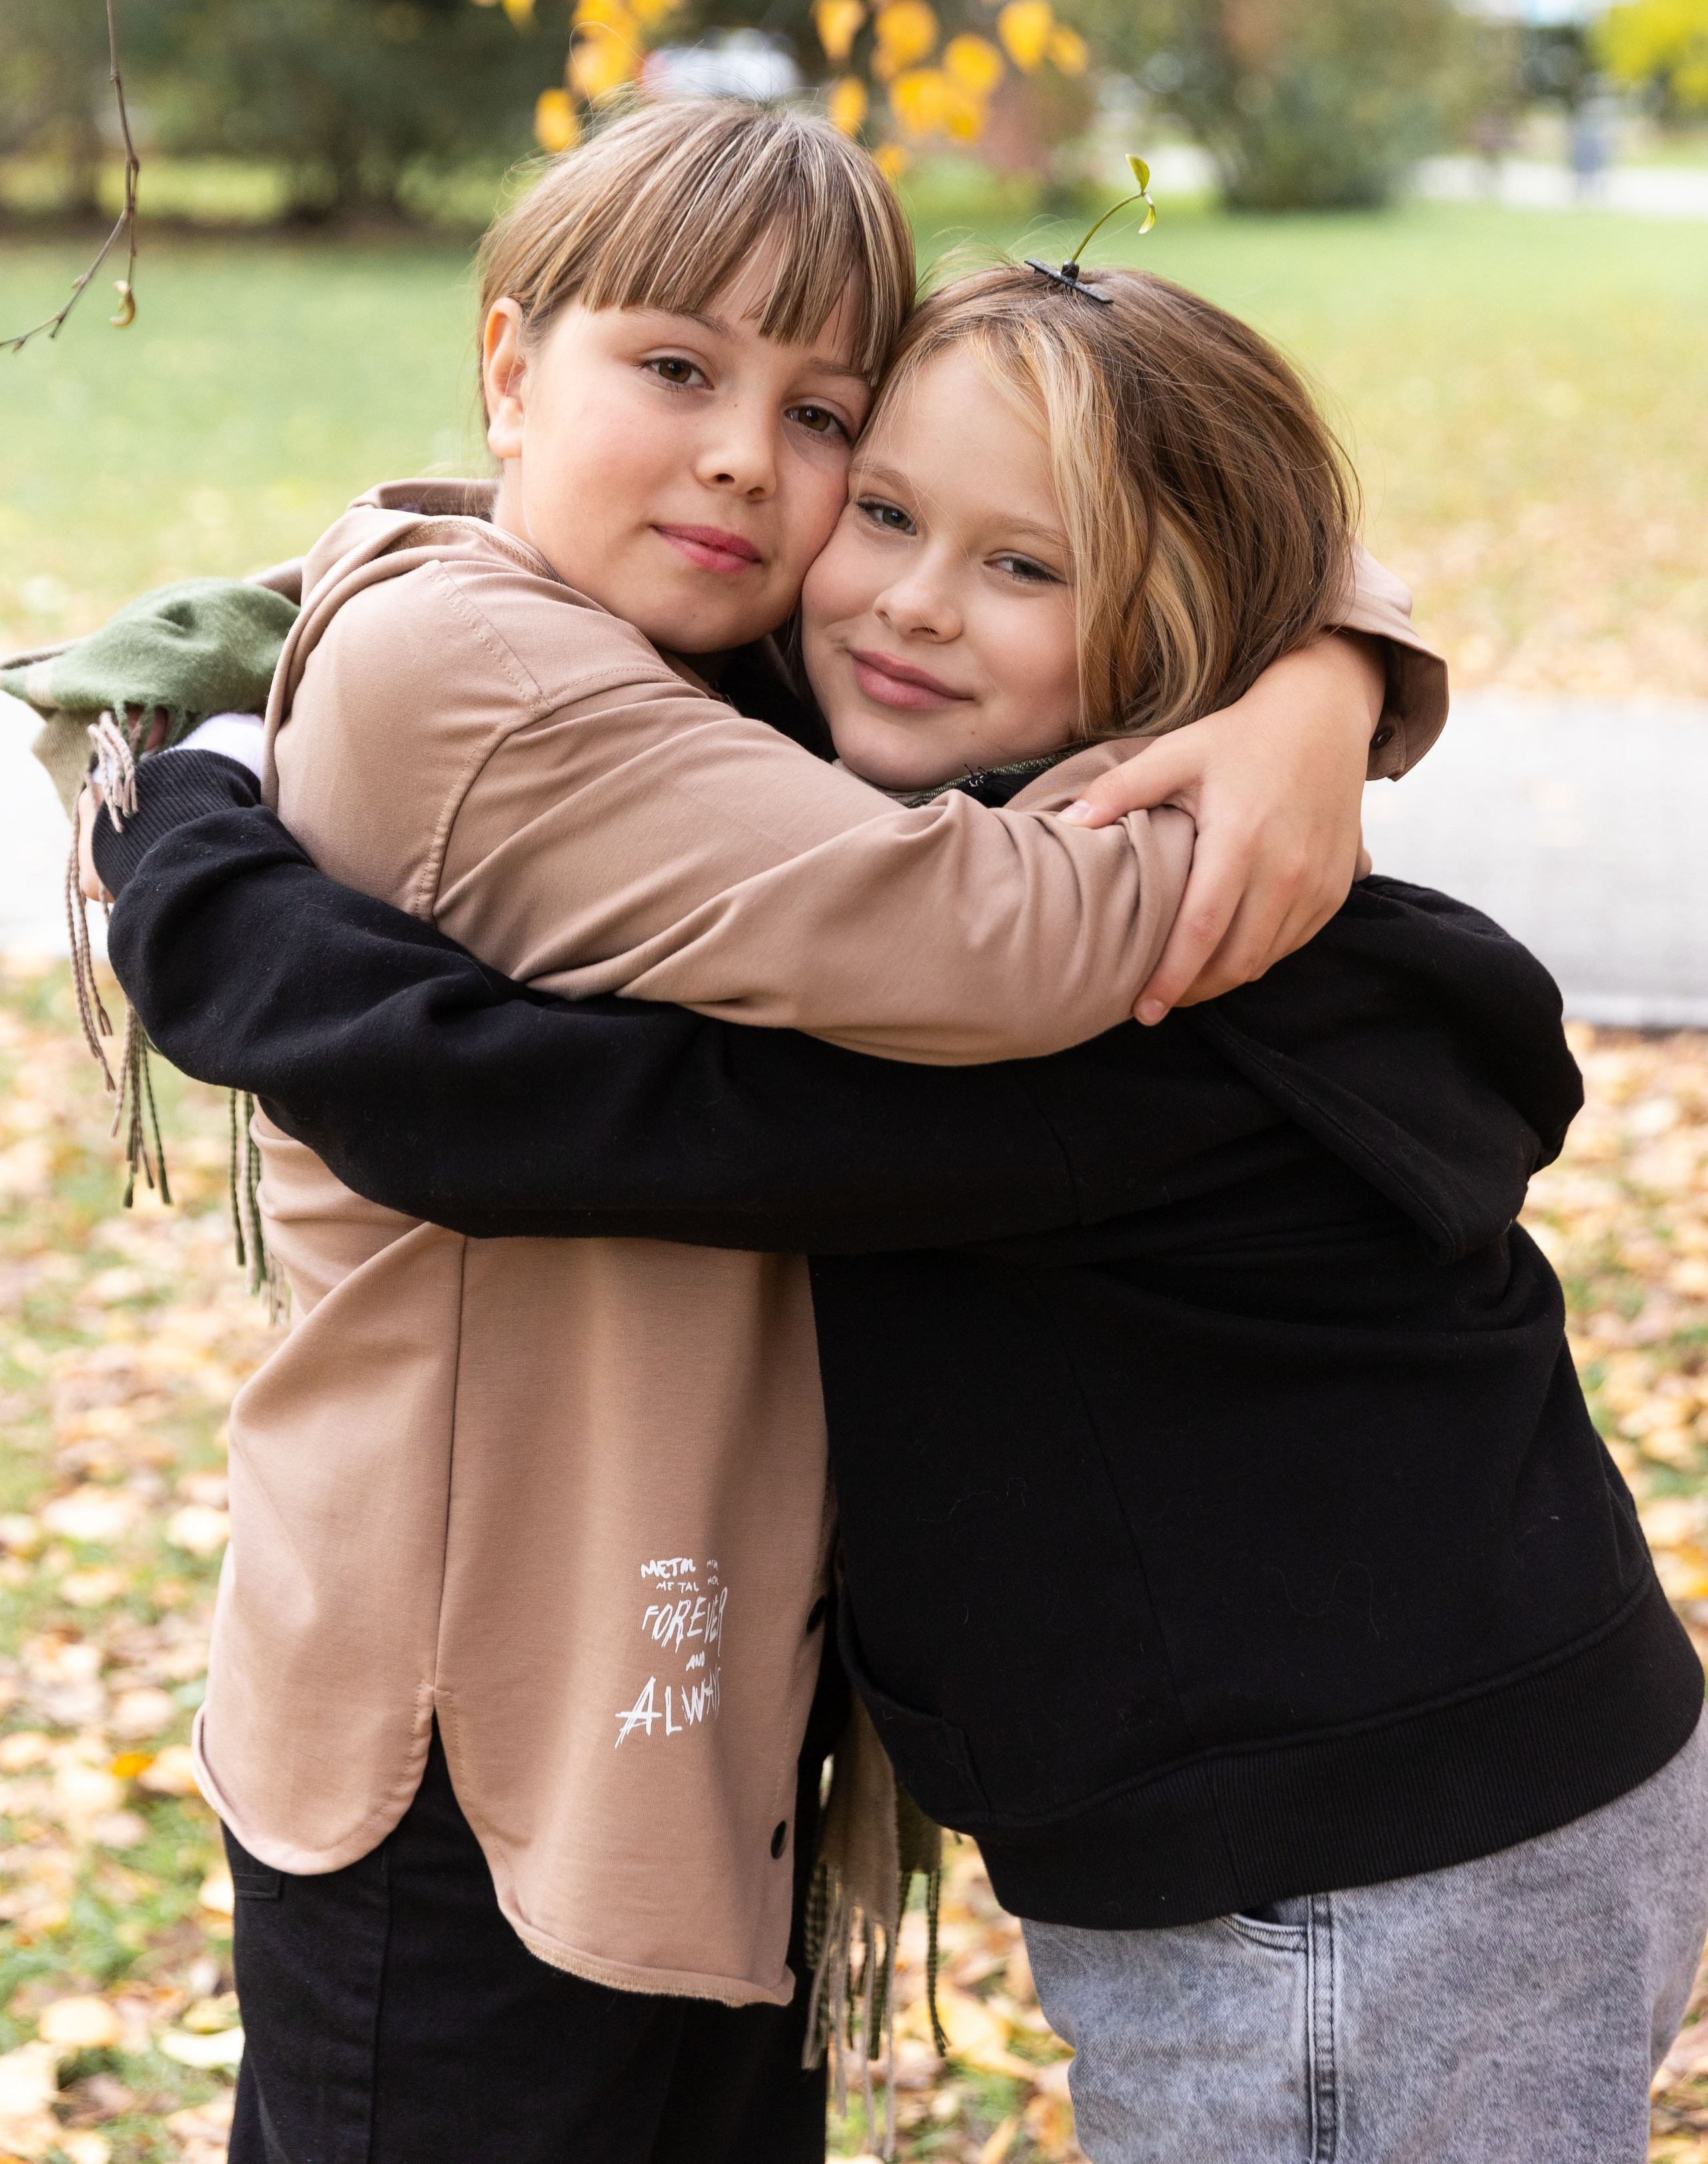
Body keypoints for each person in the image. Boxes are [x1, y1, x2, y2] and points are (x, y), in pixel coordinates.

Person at [90, 254, 1707, 2164]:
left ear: (1167, 630)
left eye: (1024, 569)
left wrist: (178, 820)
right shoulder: (959, 839)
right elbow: (655, 529)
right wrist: (1330, 665)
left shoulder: (1107, 997)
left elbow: (483, 1111)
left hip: (1366, 1878)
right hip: (1369, 1820)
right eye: (882, 513)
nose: (910, 604)